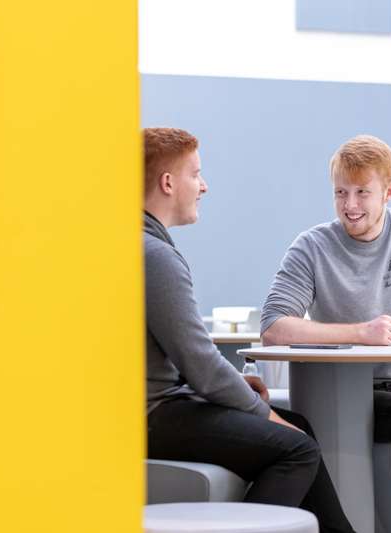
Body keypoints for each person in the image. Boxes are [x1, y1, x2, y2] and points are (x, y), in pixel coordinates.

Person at [143, 127, 355, 533]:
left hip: (163, 406)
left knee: (301, 427)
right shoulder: (155, 257)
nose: (203, 186)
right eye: (195, 174)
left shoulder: (140, 245)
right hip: (156, 415)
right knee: (297, 449)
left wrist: (249, 397)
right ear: (167, 183)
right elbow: (202, 365)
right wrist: (263, 413)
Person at [261, 135, 391, 532]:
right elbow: (273, 326)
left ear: (389, 191)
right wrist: (360, 332)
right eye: (341, 193)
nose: (350, 206)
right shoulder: (312, 247)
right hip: (355, 393)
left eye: (362, 193)